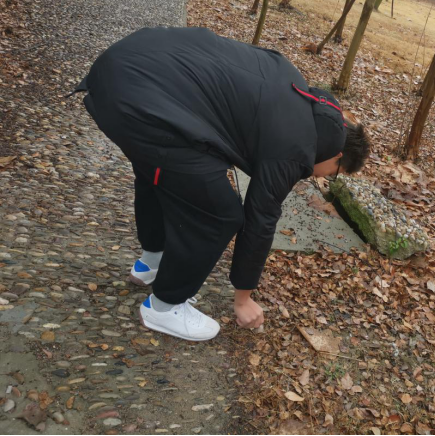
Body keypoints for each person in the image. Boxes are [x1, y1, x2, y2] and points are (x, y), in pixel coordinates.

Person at [73, 27, 370, 342]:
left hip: (126, 66)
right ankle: (164, 307)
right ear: (338, 155)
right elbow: (260, 218)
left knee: (161, 176)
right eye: (332, 173)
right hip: (140, 101)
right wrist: (243, 299)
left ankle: (151, 263)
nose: (321, 177)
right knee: (219, 214)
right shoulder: (298, 146)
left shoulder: (294, 86)